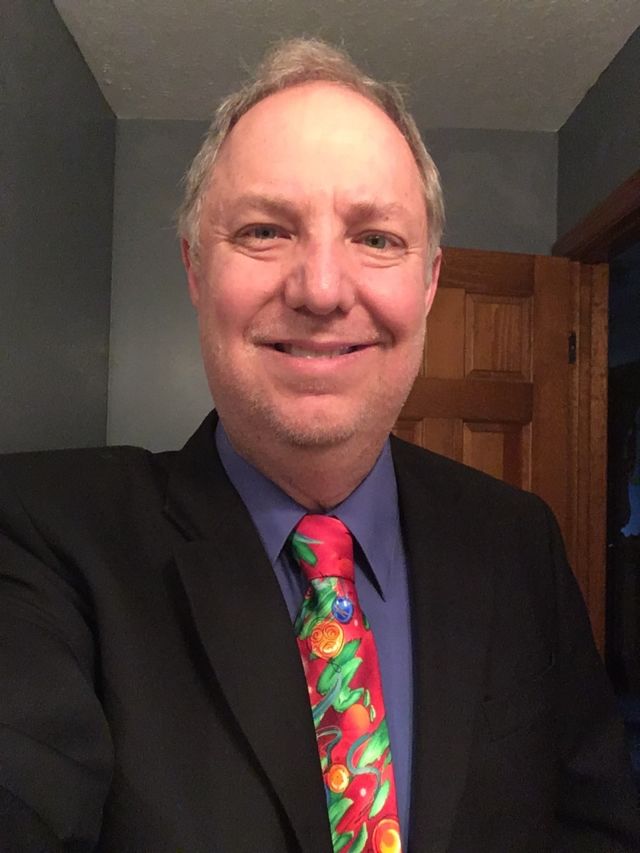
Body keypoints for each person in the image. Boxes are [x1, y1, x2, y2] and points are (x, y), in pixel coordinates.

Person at [0, 37, 638, 853]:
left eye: (377, 238)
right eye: (265, 230)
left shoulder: (520, 542)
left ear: (429, 283)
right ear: (195, 270)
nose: (323, 289)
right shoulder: (45, 539)